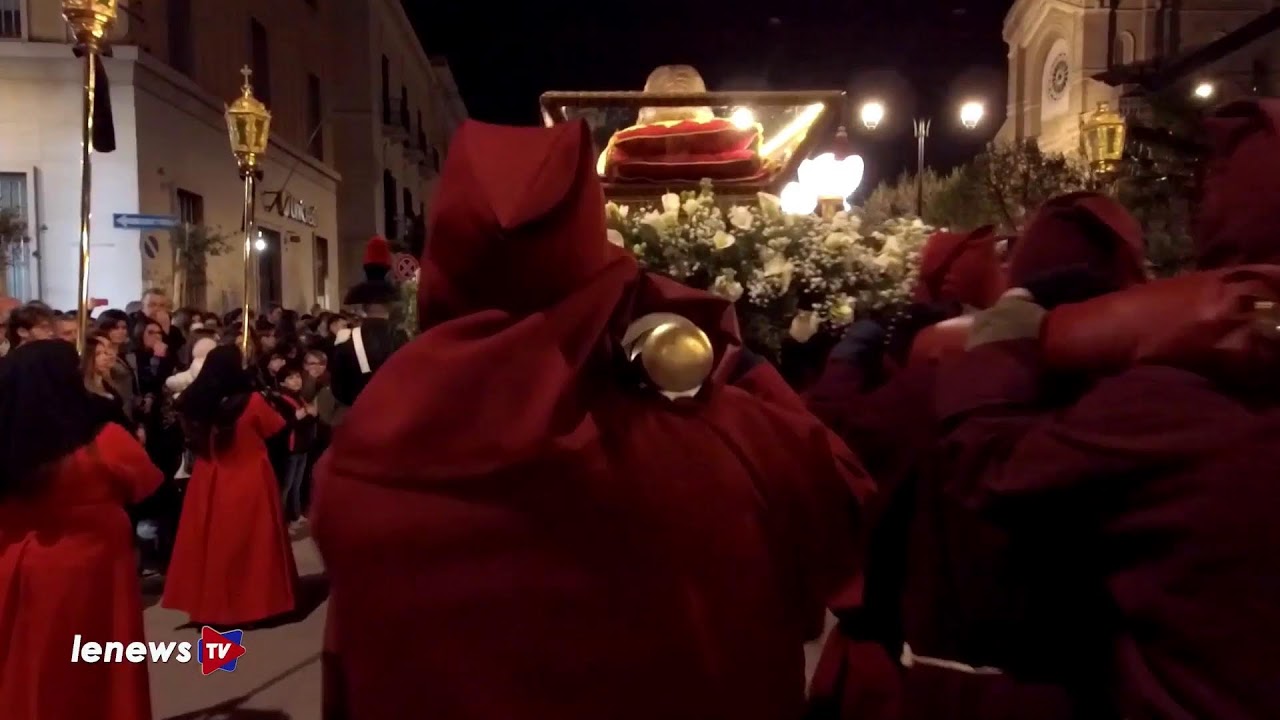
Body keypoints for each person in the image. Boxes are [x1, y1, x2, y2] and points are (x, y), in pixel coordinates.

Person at [311, 119, 870, 719]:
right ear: (598, 264)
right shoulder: (732, 436)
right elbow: (850, 524)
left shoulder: (359, 465)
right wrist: (742, 369)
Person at [935, 99, 1280, 720]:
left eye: (1224, 174)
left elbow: (994, 475)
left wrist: (1000, 347)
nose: (1203, 192)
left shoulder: (1189, 388)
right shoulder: (1190, 345)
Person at [806, 191, 1146, 720]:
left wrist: (847, 359)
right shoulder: (1158, 394)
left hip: (954, 684)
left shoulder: (948, 369)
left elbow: (839, 436)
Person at [0, 340, 163, 720]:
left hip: (13, 562)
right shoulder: (100, 438)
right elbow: (148, 487)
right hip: (87, 570)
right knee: (86, 670)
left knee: (22, 664)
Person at [163, 345, 297, 625]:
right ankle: (252, 605)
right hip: (248, 476)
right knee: (251, 546)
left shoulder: (193, 400)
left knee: (212, 546)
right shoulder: (251, 402)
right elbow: (275, 427)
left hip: (208, 476)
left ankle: (211, 605)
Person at [328, 236, 409, 422]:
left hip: (359, 420)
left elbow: (338, 390)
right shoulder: (401, 338)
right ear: (391, 305)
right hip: (395, 419)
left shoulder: (346, 340)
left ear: (363, 306)